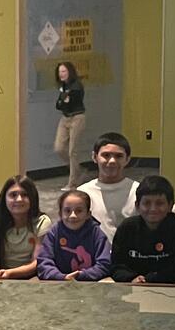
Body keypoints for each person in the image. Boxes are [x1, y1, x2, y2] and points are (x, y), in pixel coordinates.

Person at [111, 175, 175, 284]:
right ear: (137, 205)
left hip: (166, 287)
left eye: (159, 203)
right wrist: (131, 278)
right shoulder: (127, 228)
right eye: (147, 203)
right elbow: (117, 266)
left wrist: (149, 279)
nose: (153, 209)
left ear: (170, 205)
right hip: (132, 286)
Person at [0, 174, 51, 280]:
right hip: (0, 274)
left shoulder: (42, 222)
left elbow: (37, 262)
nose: (19, 199)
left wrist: (10, 273)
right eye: (13, 195)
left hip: (32, 276)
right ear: (4, 198)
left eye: (25, 195)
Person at [36, 188, 111, 281]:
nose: (73, 215)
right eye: (67, 211)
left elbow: (105, 263)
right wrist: (60, 276)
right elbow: (43, 262)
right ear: (60, 213)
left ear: (88, 214)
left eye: (79, 211)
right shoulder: (54, 233)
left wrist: (82, 275)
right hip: (59, 282)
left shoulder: (97, 234)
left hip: (90, 283)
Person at [79, 132, 139, 240]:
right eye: (106, 155)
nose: (112, 161)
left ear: (127, 159)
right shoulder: (82, 193)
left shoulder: (137, 191)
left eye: (118, 156)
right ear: (94, 157)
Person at [53, 60, 87, 190]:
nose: (61, 74)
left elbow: (71, 102)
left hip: (77, 118)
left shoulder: (76, 86)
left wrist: (64, 100)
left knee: (73, 151)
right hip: (65, 118)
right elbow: (59, 105)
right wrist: (63, 100)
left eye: (64, 71)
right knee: (59, 148)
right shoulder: (63, 86)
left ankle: (72, 183)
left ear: (70, 72)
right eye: (59, 72)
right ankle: (79, 171)